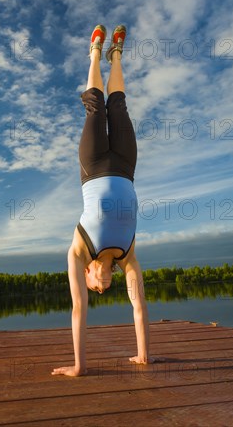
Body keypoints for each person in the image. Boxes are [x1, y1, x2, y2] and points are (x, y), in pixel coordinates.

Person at [52, 25, 161, 377]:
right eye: (103, 289)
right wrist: (143, 356)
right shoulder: (128, 256)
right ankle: (116, 53)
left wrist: (78, 367)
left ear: (86, 276)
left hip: (94, 165)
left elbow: (78, 310)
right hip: (126, 166)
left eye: (94, 288)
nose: (100, 289)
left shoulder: (78, 251)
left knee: (95, 108)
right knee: (119, 104)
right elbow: (140, 307)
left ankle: (95, 52)